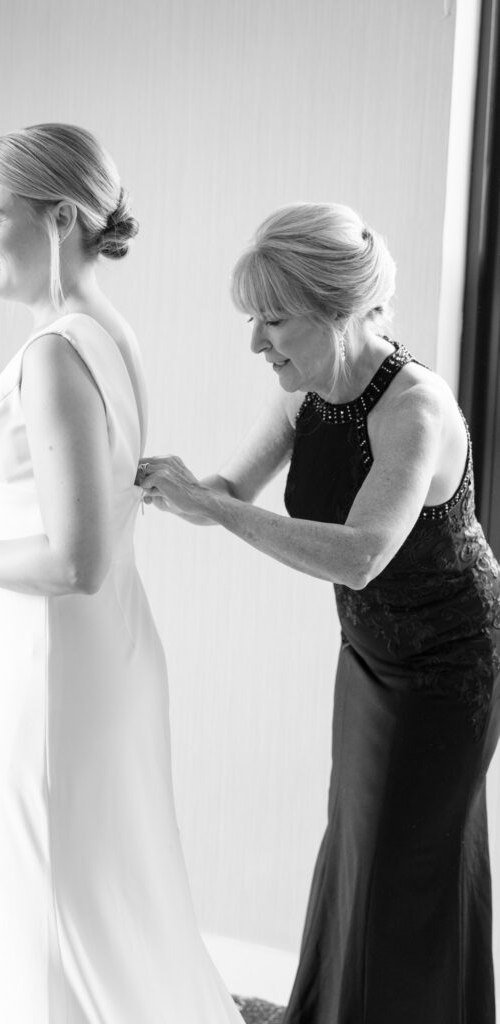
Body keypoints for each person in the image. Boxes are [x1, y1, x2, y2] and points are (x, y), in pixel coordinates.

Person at [137, 202, 500, 1024]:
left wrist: (216, 508)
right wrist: (158, 486)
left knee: (403, 870)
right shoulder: (305, 394)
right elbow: (228, 491)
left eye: (272, 321)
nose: (255, 344)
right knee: (354, 854)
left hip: (450, 664)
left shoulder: (414, 408)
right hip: (368, 654)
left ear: (336, 312)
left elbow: (361, 554)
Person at [0, 123, 244, 1024]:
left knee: (50, 900)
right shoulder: (106, 332)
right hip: (98, 653)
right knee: (96, 901)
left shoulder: (57, 352)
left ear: (60, 219)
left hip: (52, 668)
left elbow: (74, 559)